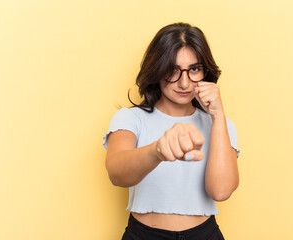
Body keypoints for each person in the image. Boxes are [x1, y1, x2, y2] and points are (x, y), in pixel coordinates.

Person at [103, 22, 240, 240]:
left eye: (194, 69)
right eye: (172, 70)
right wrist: (157, 151)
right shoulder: (131, 119)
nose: (184, 83)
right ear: (156, 70)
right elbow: (116, 174)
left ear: (205, 72)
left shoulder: (221, 124)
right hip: (144, 235)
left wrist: (218, 117)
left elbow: (221, 191)